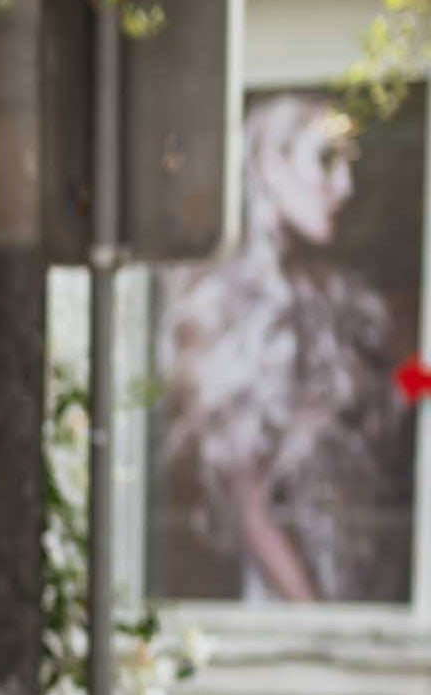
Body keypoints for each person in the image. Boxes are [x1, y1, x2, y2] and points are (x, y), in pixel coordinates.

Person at [155, 90, 411, 605]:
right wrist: (310, 613)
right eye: (325, 160)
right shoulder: (221, 304)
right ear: (269, 163)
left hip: (354, 578)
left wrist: (421, 376)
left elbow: (396, 391)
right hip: (285, 598)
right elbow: (245, 503)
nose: (344, 186)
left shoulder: (335, 298)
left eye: (347, 165)